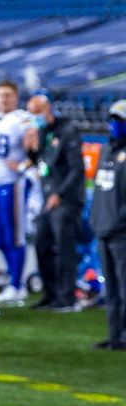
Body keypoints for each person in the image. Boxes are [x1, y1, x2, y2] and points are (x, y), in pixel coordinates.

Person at [26, 93, 84, 312]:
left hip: (65, 200)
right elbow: (40, 163)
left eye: (37, 112)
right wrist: (29, 148)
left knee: (65, 248)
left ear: (48, 108)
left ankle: (66, 297)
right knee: (42, 244)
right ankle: (50, 294)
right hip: (47, 197)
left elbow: (76, 169)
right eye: (30, 113)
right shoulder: (41, 132)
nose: (34, 117)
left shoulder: (68, 130)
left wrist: (59, 194)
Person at [0, 80, 33, 304]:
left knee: (13, 236)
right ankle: (13, 280)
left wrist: (21, 167)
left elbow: (35, 150)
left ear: (16, 97)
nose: (3, 99)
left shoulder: (22, 119)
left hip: (14, 184)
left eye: (8, 95)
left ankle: (17, 285)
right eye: (0, 95)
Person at [90, 100, 126, 349]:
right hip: (104, 227)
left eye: (120, 121)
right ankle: (114, 335)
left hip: (122, 231)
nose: (114, 125)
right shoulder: (106, 150)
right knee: (111, 287)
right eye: (112, 119)